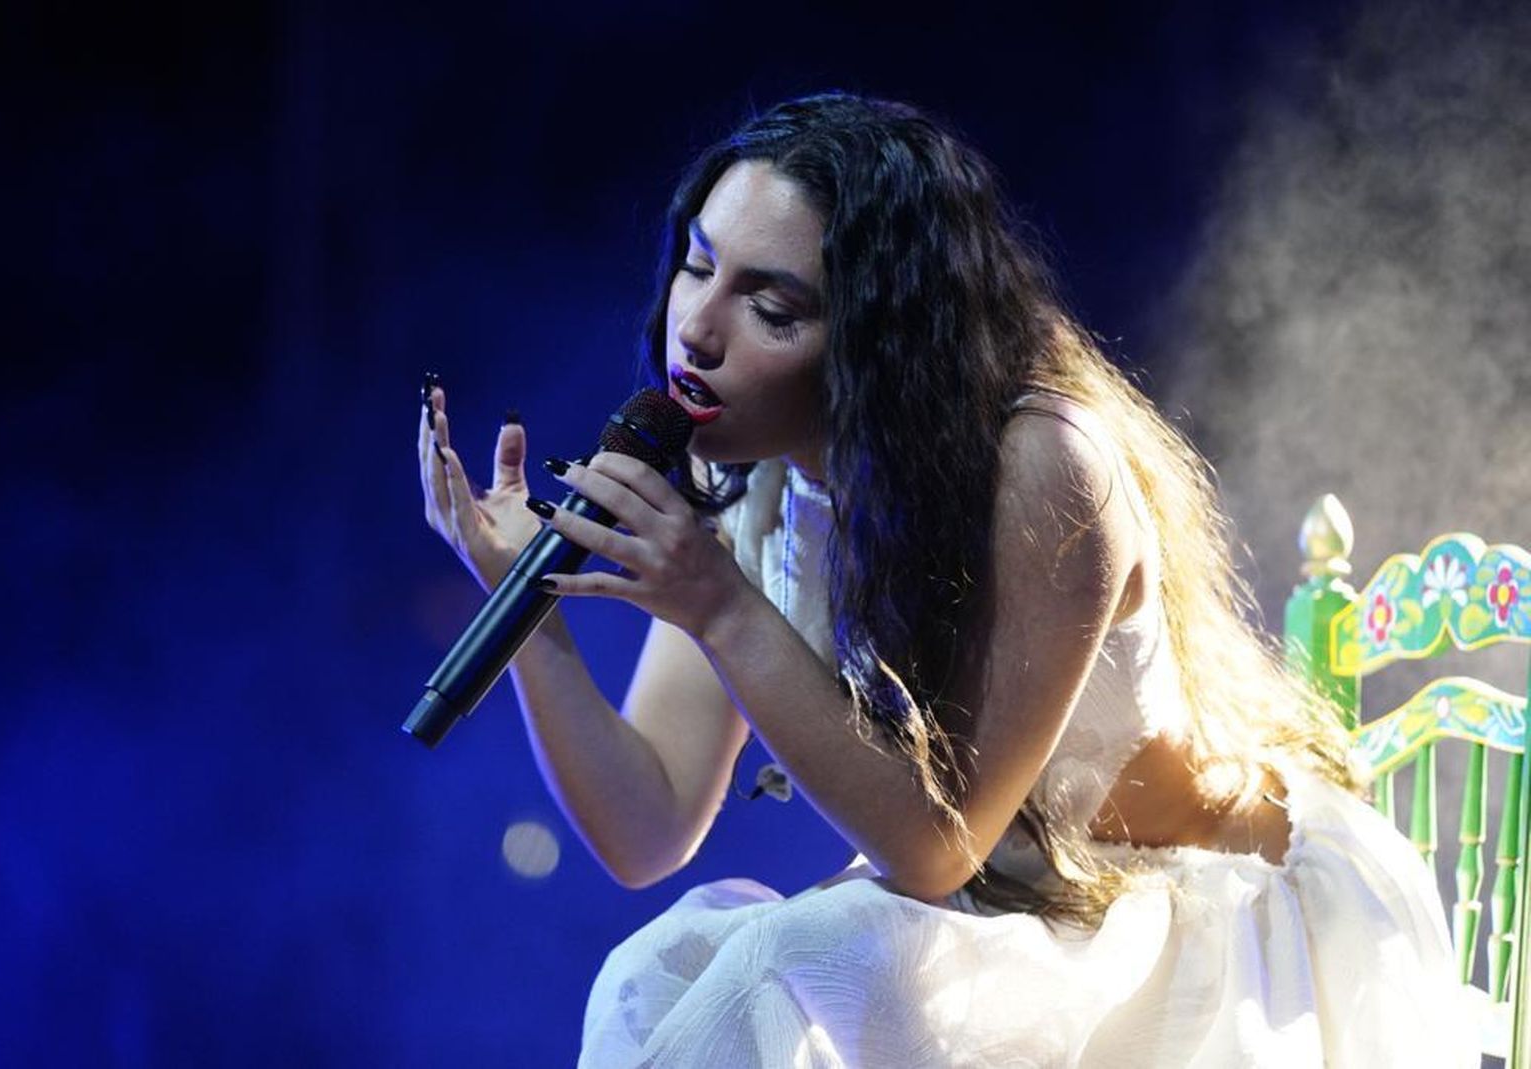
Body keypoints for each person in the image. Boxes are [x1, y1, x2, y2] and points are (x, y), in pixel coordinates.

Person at [417, 93, 1475, 1067]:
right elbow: (646, 827)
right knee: (662, 977)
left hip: (1194, 933)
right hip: (1000, 927)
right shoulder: (753, 494)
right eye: (698, 265)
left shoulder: (1045, 465)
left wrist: (717, 604)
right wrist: (531, 615)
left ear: (881, 335)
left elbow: (935, 847)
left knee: (769, 972)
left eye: (771, 308)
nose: (696, 330)